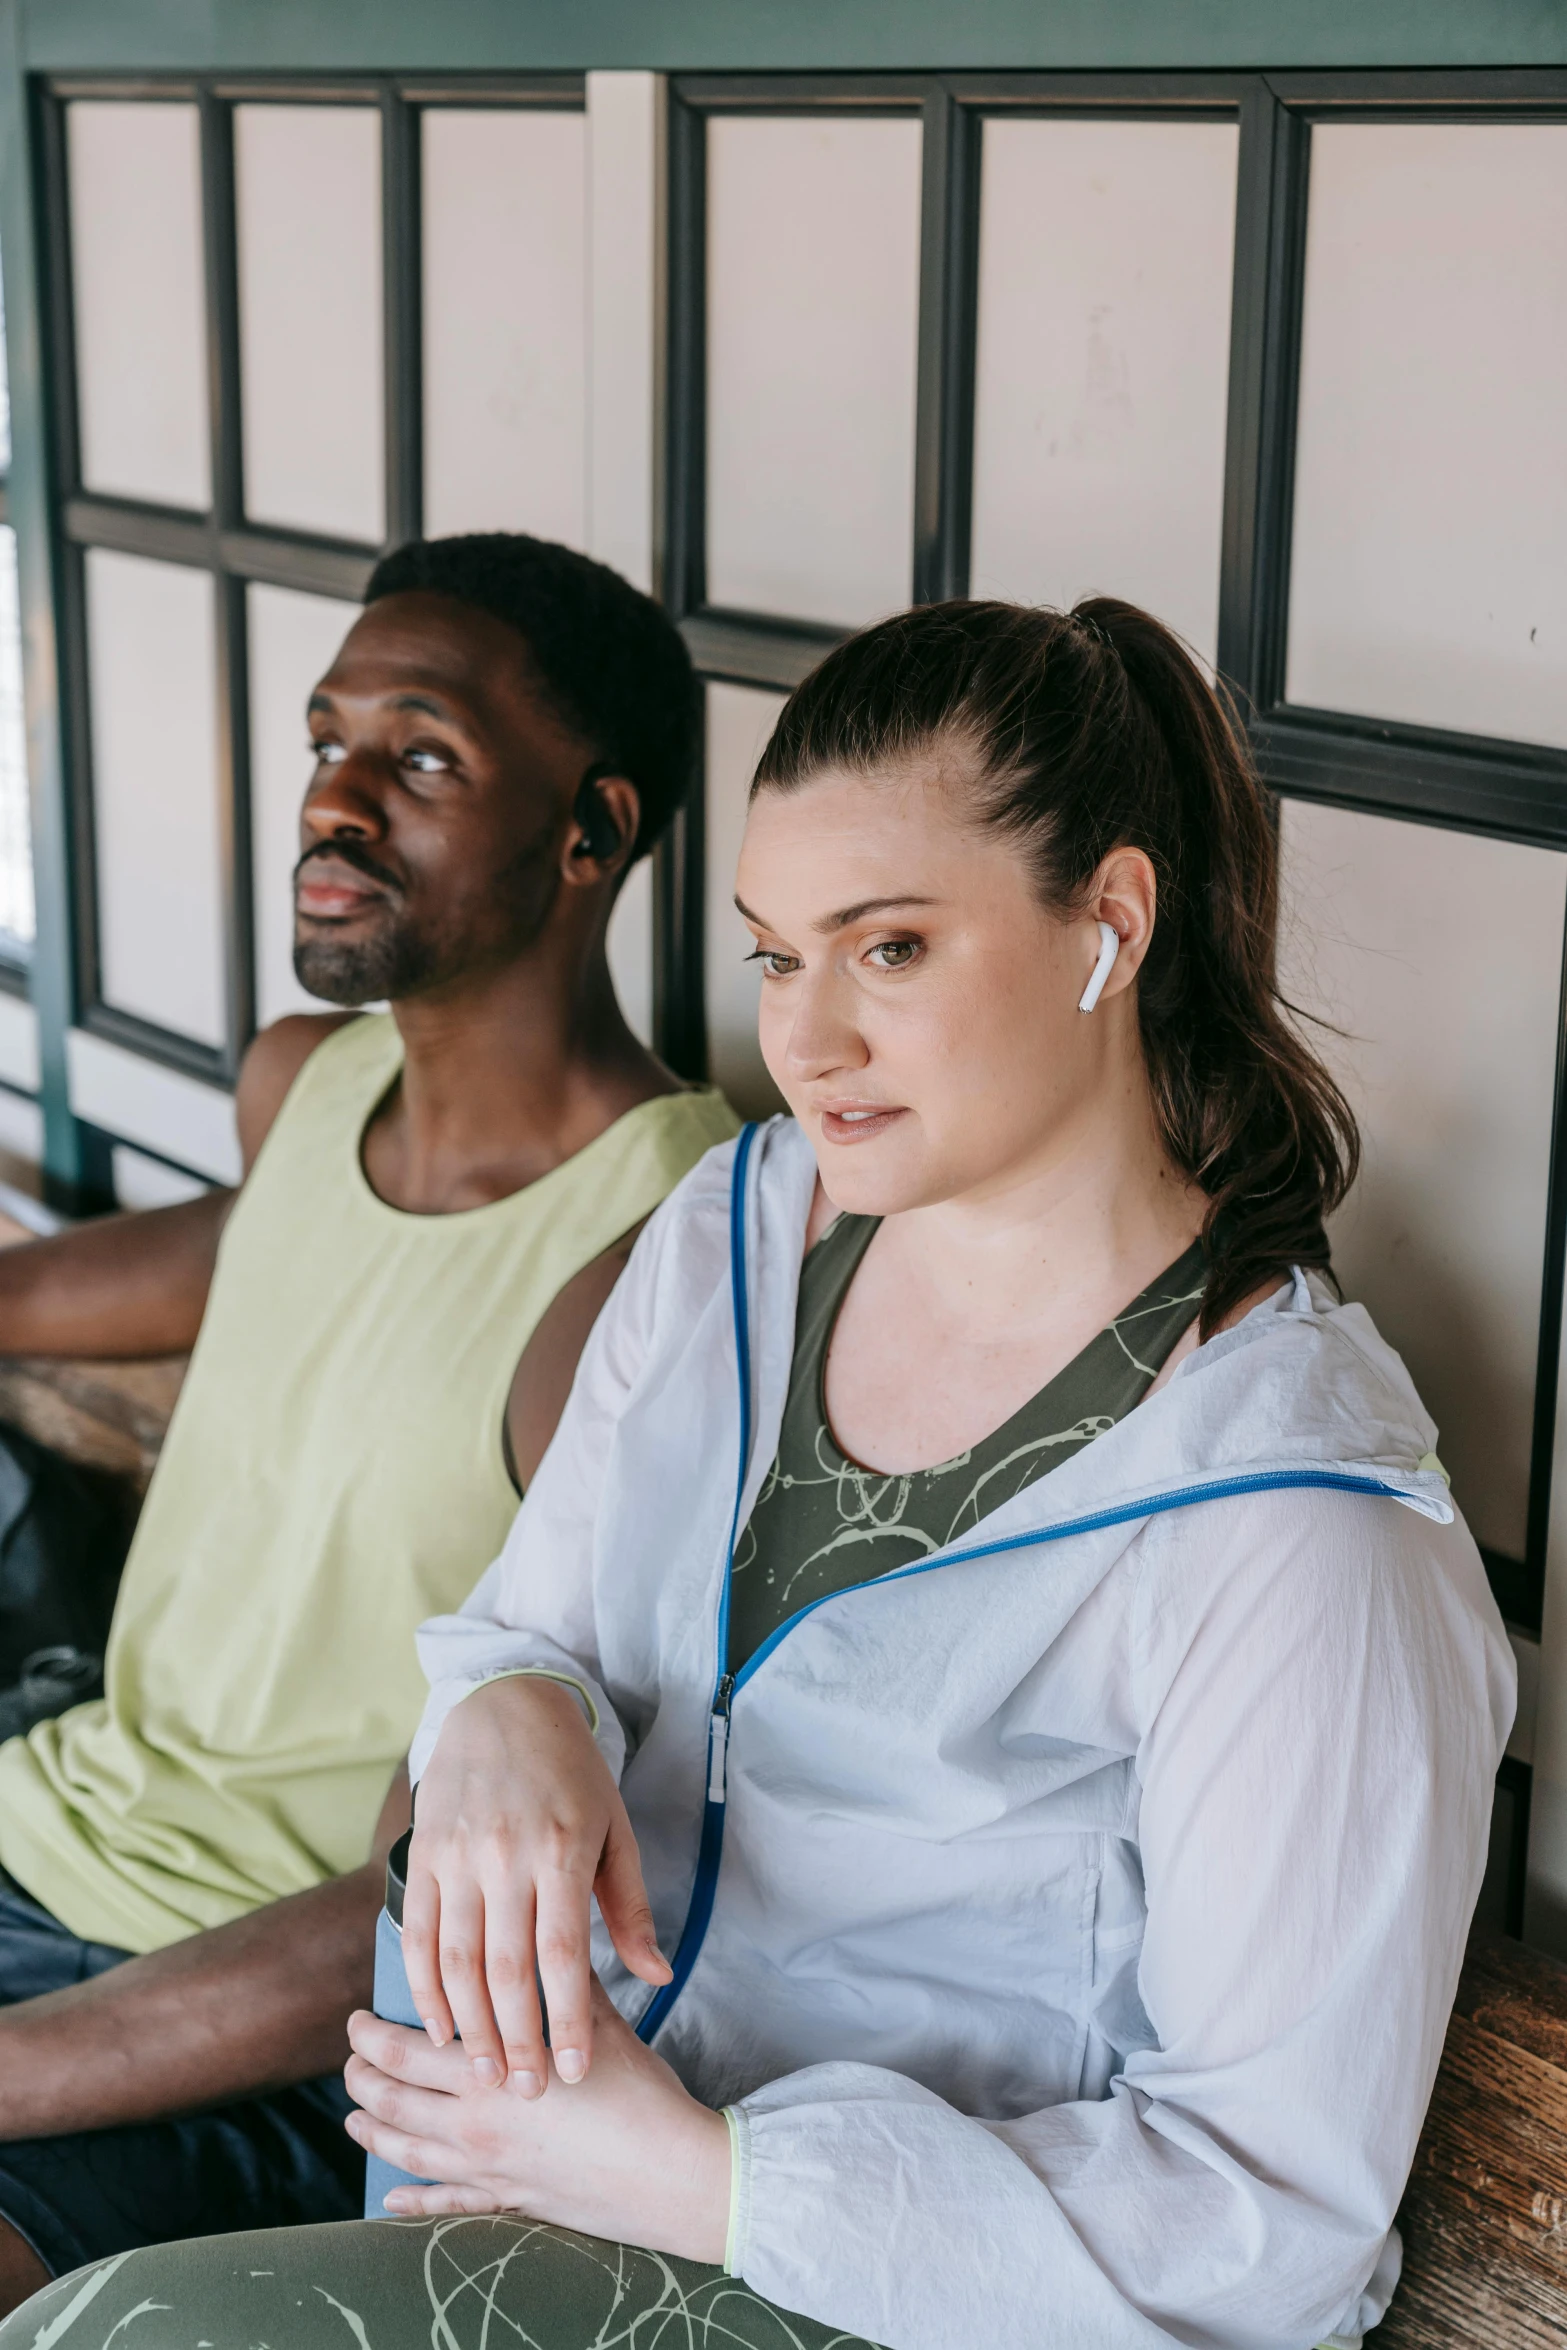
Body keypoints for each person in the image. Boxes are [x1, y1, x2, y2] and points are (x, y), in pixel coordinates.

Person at [4, 596, 1513, 2350]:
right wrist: (507, 1705)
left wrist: (707, 2180)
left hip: (890, 2303)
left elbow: (1265, 2226)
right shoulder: (735, 1227)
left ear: (1107, 922)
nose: (807, 1040)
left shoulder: (1301, 1532)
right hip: (504, 2183)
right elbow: (531, 1624)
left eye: (888, 950)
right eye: (776, 956)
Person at [0, 532, 737, 2308]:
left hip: (231, 2010)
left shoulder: (663, 1260)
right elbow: (78, 1290)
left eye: (418, 756)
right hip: (44, 1816)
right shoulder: (306, 1089)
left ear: (592, 830)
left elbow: (446, 1892)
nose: (331, 798)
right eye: (328, 740)